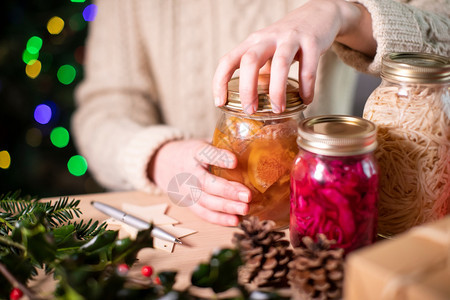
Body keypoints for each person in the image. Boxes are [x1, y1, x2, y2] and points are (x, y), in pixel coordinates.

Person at [72, 0, 450, 226]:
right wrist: (157, 156)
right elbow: (103, 109)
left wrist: (345, 13)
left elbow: (443, 31)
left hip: (321, 216)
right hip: (186, 216)